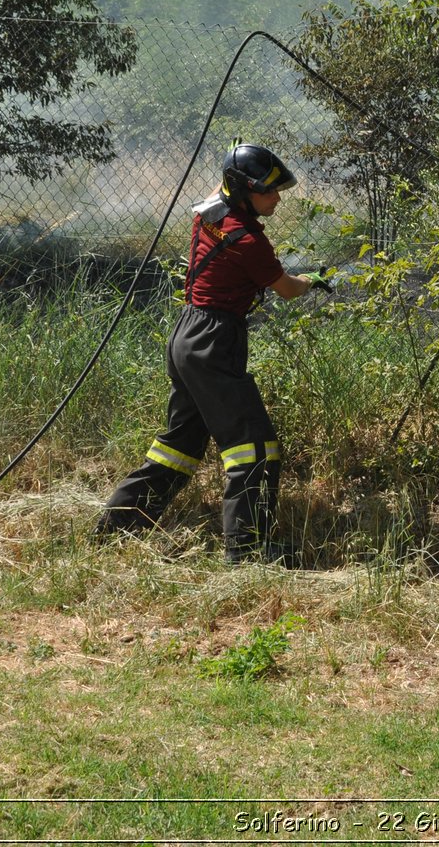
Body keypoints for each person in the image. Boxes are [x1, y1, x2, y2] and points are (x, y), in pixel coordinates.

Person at [95, 144, 332, 564]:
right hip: (215, 340)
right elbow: (289, 290)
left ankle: (118, 523)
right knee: (255, 448)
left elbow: (222, 187)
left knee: (180, 446)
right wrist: (313, 278)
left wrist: (238, 161)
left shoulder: (209, 211)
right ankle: (246, 550)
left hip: (186, 333)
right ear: (244, 191)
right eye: (269, 191)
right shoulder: (249, 240)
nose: (277, 198)